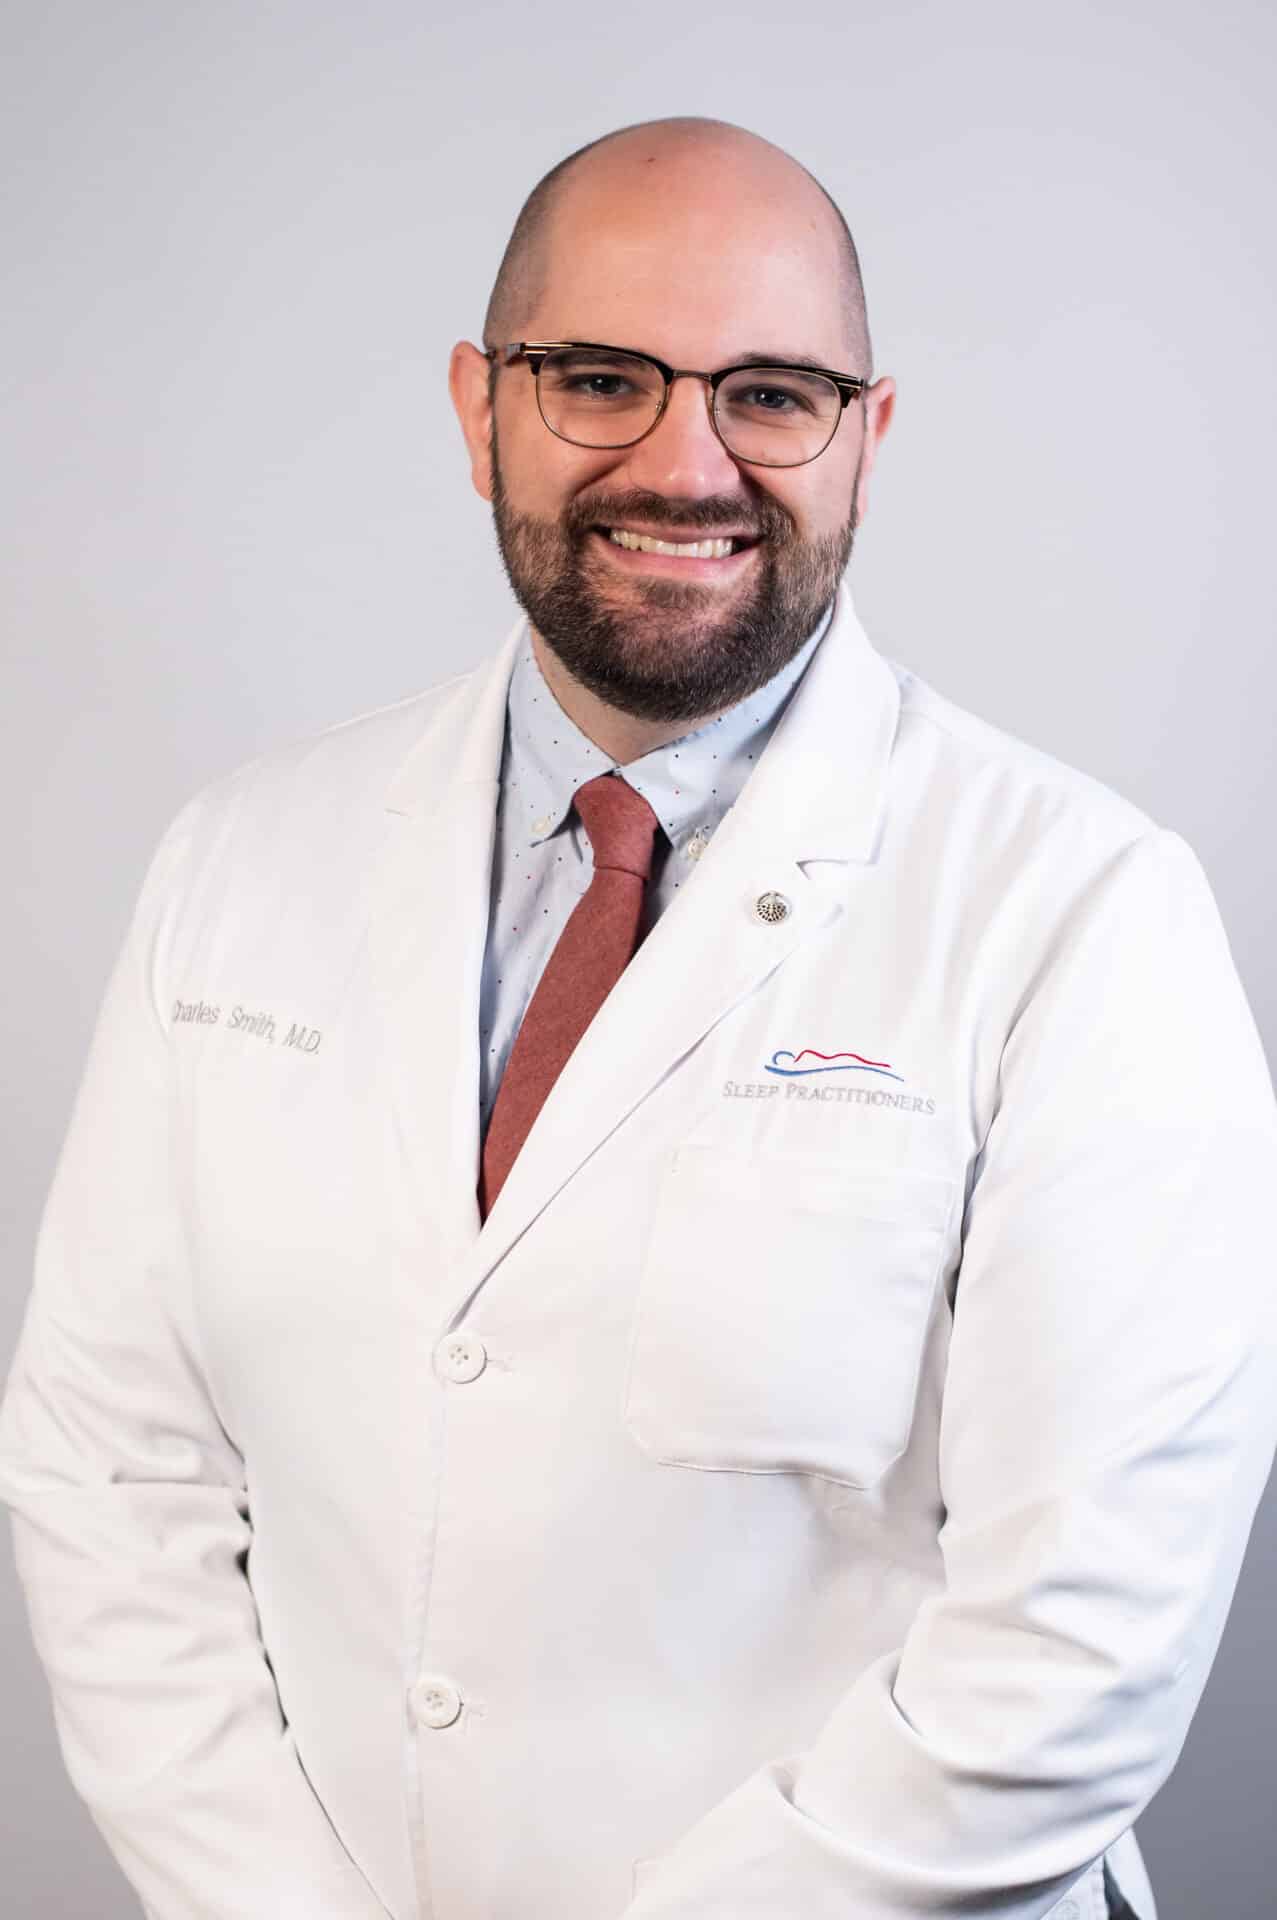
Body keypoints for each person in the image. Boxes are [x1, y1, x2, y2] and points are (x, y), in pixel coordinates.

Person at [1, 113, 1273, 1920]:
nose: (687, 465)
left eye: (771, 392)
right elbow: (109, 1467)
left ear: (868, 438)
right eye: (600, 377)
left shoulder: (1076, 911)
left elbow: (1078, 1648)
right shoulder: (240, 862)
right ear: (477, 410)